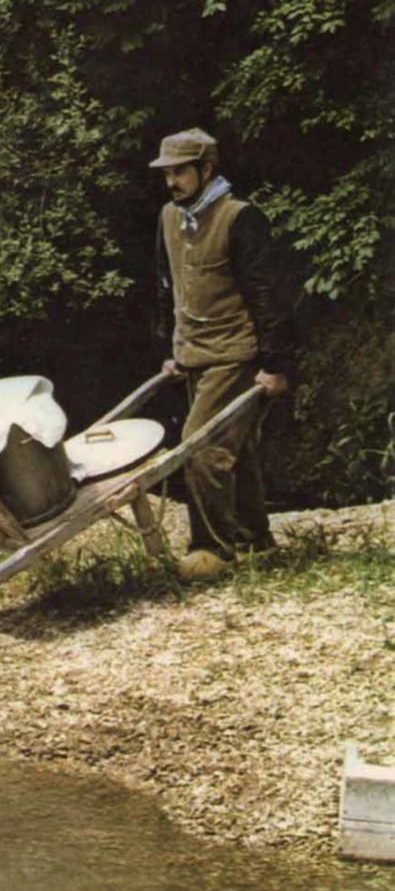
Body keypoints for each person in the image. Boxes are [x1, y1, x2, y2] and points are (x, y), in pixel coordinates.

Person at [149, 128, 296, 581]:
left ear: (206, 170)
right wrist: (169, 349)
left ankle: (213, 548)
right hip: (194, 353)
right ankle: (255, 539)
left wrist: (275, 364)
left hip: (236, 354)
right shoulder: (170, 218)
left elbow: (267, 295)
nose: (172, 181)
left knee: (203, 450)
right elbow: (166, 287)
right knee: (239, 451)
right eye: (167, 173)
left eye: (181, 172)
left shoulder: (239, 218)